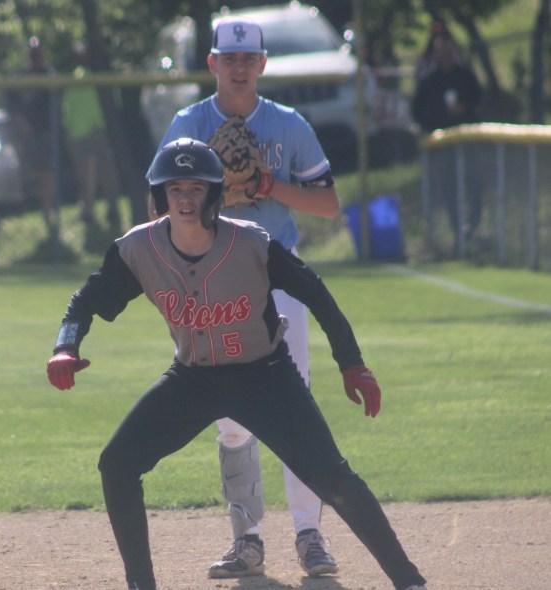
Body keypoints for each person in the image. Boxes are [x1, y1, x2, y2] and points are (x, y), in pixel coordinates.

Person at [46, 138, 429, 590]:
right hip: (192, 379)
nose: (185, 199)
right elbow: (83, 302)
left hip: (264, 376)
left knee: (333, 476)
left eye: (195, 188)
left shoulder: (250, 242)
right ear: (159, 196)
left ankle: (409, 581)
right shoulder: (138, 249)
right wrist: (65, 346)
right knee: (117, 463)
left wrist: (352, 364)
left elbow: (317, 294)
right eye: (175, 190)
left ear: (213, 194)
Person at [150, 17, 342, 578]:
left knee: (296, 406)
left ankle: (310, 536)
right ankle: (247, 541)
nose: (238, 67)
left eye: (247, 58)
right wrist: (203, 197)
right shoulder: (190, 123)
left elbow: (329, 203)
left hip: (278, 275)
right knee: (231, 417)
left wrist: (265, 187)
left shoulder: (288, 124)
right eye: (227, 58)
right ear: (212, 63)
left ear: (261, 64)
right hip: (213, 281)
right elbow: (155, 207)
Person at [411, 28, 484, 252]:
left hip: (467, 143)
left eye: (448, 50)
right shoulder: (429, 80)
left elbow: (479, 102)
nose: (445, 55)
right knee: (449, 189)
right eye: (440, 51)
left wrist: (464, 109)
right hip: (442, 147)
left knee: (475, 185)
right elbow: (417, 112)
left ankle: (473, 224)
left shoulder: (465, 75)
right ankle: (457, 232)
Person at [63, 42, 121, 229]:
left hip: (95, 129)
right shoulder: (77, 76)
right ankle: (88, 210)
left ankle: (112, 208)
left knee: (106, 171)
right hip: (80, 131)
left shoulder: (98, 76)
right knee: (86, 175)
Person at [6, 37, 59, 235]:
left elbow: (54, 100)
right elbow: (12, 105)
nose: (37, 58)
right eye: (33, 54)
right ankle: (40, 206)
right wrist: (21, 123)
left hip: (45, 133)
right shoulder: (21, 77)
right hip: (27, 135)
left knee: (47, 173)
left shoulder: (49, 74)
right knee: (33, 173)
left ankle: (48, 210)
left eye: (40, 54)